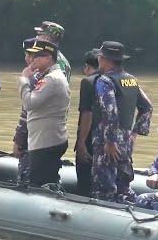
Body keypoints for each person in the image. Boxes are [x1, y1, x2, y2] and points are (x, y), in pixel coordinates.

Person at [91, 41, 153, 202]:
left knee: (105, 188)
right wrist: (134, 134)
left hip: (108, 145)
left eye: (100, 57)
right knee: (123, 186)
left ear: (105, 59)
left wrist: (110, 142)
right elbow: (147, 107)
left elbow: (110, 112)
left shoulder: (105, 81)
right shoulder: (131, 80)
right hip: (126, 143)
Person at [18, 39, 70, 187]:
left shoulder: (52, 79)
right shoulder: (49, 76)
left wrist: (23, 79)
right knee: (45, 180)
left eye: (37, 57)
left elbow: (29, 103)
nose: (32, 60)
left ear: (48, 58)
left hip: (45, 142)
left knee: (40, 183)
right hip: (46, 139)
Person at [12, 38, 41, 185]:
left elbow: (26, 113)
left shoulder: (33, 79)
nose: (26, 58)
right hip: (44, 139)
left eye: (27, 55)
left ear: (32, 57)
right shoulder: (48, 75)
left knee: (25, 180)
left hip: (31, 140)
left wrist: (18, 141)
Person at [74, 50, 100, 195]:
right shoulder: (117, 80)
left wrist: (81, 143)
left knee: (84, 185)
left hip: (91, 142)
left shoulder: (89, 82)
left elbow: (87, 113)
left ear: (87, 67)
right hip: (111, 144)